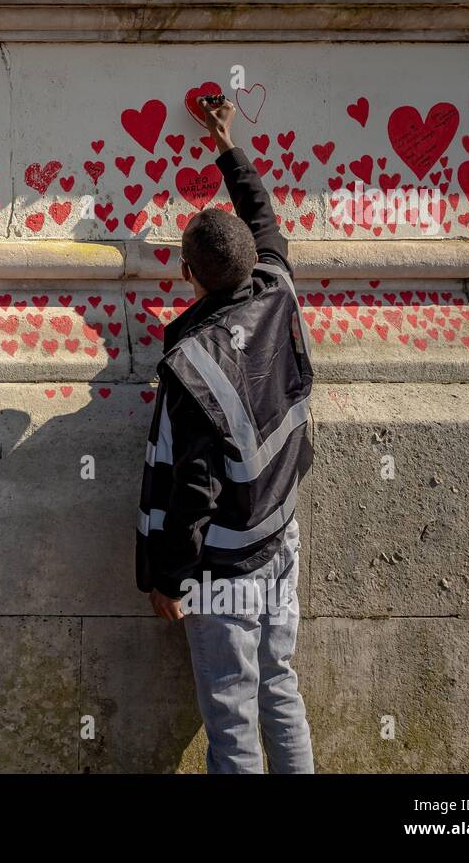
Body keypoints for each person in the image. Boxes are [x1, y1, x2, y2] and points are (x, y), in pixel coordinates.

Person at [135, 94, 315, 773]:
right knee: (279, 688)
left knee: (233, 722)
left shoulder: (195, 365)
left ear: (188, 276)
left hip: (223, 567)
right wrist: (225, 143)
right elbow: (263, 219)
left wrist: (170, 581)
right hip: (279, 534)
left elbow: (195, 489)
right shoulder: (276, 284)